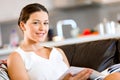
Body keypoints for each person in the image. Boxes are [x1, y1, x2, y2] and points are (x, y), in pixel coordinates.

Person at [7, 3, 92, 80]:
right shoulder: (16, 57)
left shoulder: (58, 52)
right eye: (36, 23)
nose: (42, 28)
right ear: (22, 25)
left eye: (45, 23)